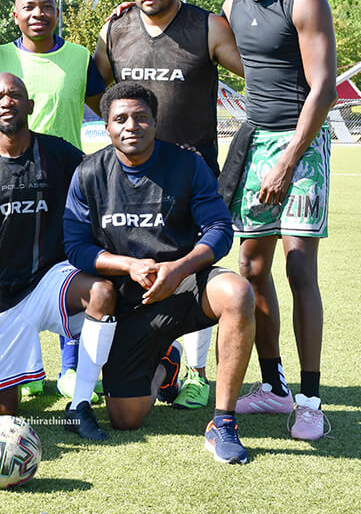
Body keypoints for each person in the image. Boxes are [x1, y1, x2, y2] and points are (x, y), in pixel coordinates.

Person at [64, 81, 256, 464]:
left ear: (155, 121)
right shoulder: (88, 173)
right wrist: (129, 265)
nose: (131, 126)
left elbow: (220, 229)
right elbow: (76, 247)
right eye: (120, 119)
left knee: (238, 293)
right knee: (126, 419)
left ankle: (223, 422)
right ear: (106, 127)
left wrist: (179, 268)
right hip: (131, 307)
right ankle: (164, 365)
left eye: (140, 117)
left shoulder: (187, 165)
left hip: (183, 286)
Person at [91, 0, 245, 410]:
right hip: (133, 176)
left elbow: (253, 70)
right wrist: (123, 136)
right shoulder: (115, 29)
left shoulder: (208, 26)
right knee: (134, 267)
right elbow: (98, 88)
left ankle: (196, 373)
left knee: (192, 268)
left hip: (193, 175)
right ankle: (152, 356)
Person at [221, 0, 337, 441]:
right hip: (256, 142)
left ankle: (310, 402)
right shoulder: (232, 6)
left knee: (298, 266)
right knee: (250, 265)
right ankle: (274, 387)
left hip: (300, 144)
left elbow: (324, 88)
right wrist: (127, 11)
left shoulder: (303, 0)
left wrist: (290, 159)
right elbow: (192, 32)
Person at [0, 72, 116, 440]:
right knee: (4, 412)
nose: (6, 101)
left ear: (29, 105)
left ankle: (79, 404)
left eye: (14, 95)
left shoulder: (58, 153)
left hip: (50, 279)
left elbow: (105, 174)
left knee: (102, 293)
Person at [0, 0, 106, 400]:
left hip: (66, 180)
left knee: (68, 268)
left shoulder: (79, 56)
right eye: (28, 7)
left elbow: (106, 106)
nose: (38, 13)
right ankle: (26, 368)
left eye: (46, 6)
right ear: (15, 14)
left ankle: (71, 367)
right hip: (8, 180)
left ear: (57, 12)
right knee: (14, 269)